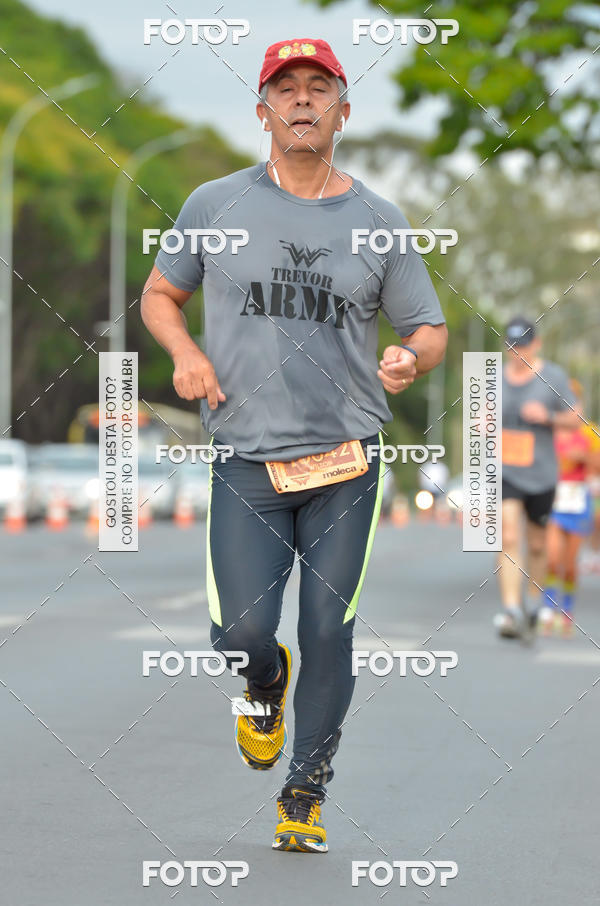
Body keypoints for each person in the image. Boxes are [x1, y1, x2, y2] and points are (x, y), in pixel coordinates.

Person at [141, 37, 447, 853]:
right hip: (247, 457)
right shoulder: (214, 204)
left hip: (346, 458)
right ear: (263, 111)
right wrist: (187, 352)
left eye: (320, 88)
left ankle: (304, 791)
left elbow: (429, 328)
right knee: (241, 632)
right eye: (287, 89)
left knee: (327, 627)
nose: (302, 101)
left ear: (345, 111)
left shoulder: (379, 222)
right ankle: (262, 682)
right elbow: (162, 294)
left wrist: (408, 357)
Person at [495, 317, 581, 640]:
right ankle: (510, 609)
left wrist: (547, 417)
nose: (517, 354)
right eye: (511, 347)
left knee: (536, 542)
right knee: (507, 535)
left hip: (542, 473)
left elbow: (575, 418)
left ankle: (533, 603)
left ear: (536, 345)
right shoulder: (492, 379)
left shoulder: (554, 376)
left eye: (523, 347)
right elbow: (477, 415)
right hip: (505, 470)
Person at [539, 380, 600, 636]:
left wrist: (582, 457)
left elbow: (596, 466)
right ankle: (548, 607)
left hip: (579, 501)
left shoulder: (589, 433)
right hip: (554, 501)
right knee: (552, 559)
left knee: (570, 565)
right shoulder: (548, 432)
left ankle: (567, 610)